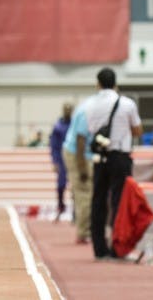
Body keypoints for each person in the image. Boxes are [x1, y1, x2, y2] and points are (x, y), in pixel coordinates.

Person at [74, 68, 143, 260]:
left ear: (97, 84)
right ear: (116, 84)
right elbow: (138, 130)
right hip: (120, 156)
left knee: (98, 202)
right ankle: (118, 247)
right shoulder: (127, 104)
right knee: (119, 202)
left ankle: (99, 249)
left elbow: (89, 129)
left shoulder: (88, 105)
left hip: (99, 157)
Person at [62, 97, 94, 244]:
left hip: (81, 153)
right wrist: (81, 167)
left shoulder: (91, 105)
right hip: (77, 154)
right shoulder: (87, 111)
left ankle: (86, 229)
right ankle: (83, 232)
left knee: (85, 193)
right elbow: (80, 139)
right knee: (84, 193)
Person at [49, 104, 73, 221]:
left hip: (73, 158)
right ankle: (60, 206)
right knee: (61, 184)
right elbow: (53, 145)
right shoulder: (58, 126)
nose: (68, 111)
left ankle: (76, 211)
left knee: (75, 185)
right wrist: (54, 161)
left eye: (70, 109)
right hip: (61, 158)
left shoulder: (75, 124)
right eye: (66, 109)